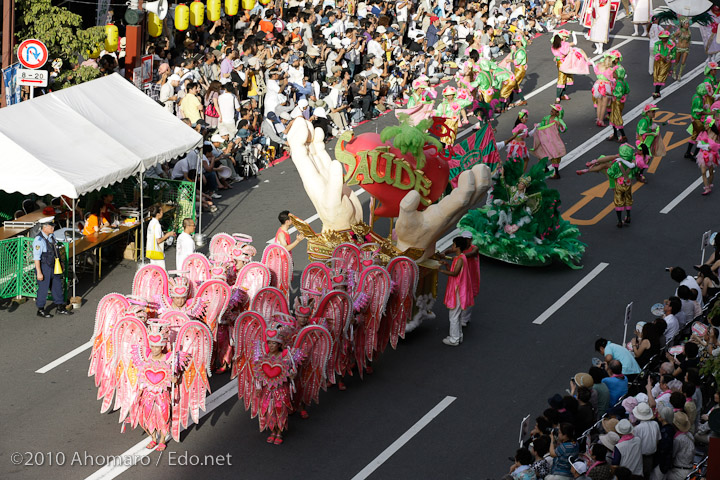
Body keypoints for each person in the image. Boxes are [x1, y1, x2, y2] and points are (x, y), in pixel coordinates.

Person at [33, 217, 72, 317]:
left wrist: (61, 262)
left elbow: (56, 251)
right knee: (43, 289)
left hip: (54, 265)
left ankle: (60, 307)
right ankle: (40, 309)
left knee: (57, 286)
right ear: (44, 227)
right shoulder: (39, 240)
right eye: (51, 226)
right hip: (44, 267)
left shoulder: (51, 236)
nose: (53, 228)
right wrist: (39, 272)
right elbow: (36, 258)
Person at [440, 236, 475, 347]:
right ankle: (458, 336)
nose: (452, 246)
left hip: (458, 290)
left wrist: (440, 270)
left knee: (454, 315)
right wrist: (446, 265)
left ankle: (454, 339)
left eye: (453, 244)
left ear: (457, 246)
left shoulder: (460, 259)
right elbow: (456, 272)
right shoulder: (460, 257)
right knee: (457, 315)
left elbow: (455, 273)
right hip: (459, 289)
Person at [145, 205, 176, 269]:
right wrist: (168, 234)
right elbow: (158, 240)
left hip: (151, 251)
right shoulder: (157, 225)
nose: (163, 213)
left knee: (154, 271)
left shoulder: (151, 223)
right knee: (162, 272)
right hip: (157, 252)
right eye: (161, 212)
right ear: (158, 214)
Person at [652, 30, 676, 99]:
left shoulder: (671, 44)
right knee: (656, 75)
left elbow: (674, 53)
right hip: (658, 62)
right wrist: (662, 56)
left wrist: (669, 57)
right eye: (662, 37)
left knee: (661, 76)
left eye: (665, 37)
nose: (664, 39)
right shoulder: (657, 44)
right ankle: (658, 92)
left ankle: (656, 92)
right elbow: (655, 52)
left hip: (666, 63)